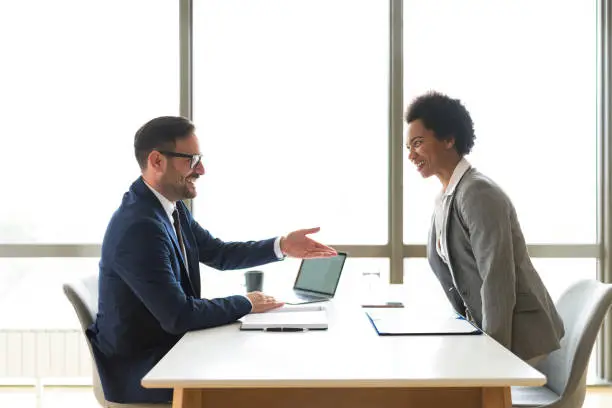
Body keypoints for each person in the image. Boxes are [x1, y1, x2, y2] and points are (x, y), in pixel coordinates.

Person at [86, 116, 337, 405]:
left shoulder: (169, 209)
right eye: (192, 160)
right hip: (145, 370)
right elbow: (178, 315)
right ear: (157, 161)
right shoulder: (139, 227)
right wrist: (247, 302)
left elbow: (218, 253)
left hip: (171, 351)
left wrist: (281, 246)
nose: (201, 170)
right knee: (263, 387)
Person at [404, 91, 564, 365]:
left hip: (518, 340)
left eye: (417, 143)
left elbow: (497, 279)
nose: (411, 155)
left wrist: (493, 358)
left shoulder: (477, 192)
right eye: (407, 147)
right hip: (487, 335)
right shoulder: (446, 197)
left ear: (448, 139)